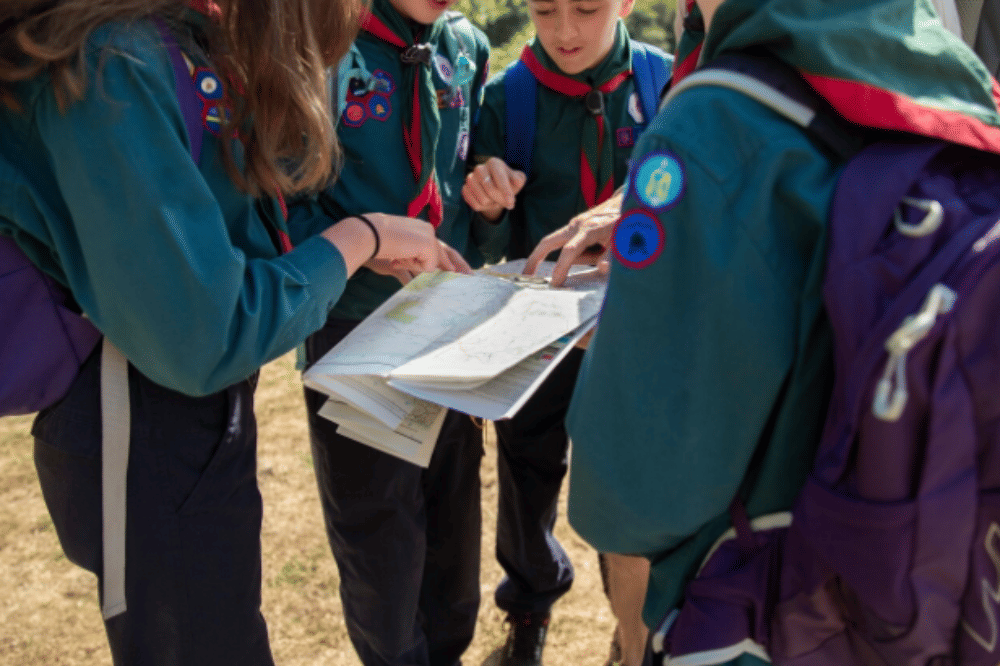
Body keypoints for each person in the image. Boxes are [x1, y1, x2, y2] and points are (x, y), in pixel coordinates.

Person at [0, 1, 467, 664]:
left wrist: (347, 247)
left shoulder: (169, 42)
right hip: (141, 416)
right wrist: (358, 238)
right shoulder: (112, 62)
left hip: (188, 413)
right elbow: (207, 336)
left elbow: (231, 237)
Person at [546, 0, 1000, 665]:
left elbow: (632, 496)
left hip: (756, 610)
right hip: (912, 576)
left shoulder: (712, 122)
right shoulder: (952, 74)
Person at [461, 1, 670, 664]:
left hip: (636, 336)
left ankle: (633, 619)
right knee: (527, 471)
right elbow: (490, 239)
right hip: (541, 336)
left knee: (632, 481)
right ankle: (528, 604)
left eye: (587, 7)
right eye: (546, 10)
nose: (566, 31)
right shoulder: (507, 99)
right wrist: (490, 208)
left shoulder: (667, 86)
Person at [293, 0, 491, 664]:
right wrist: (355, 247)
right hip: (354, 329)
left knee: (454, 510)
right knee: (379, 529)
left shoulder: (465, 45)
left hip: (450, 318)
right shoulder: (318, 41)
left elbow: (466, 165)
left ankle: (449, 651)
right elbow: (280, 203)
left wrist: (493, 183)